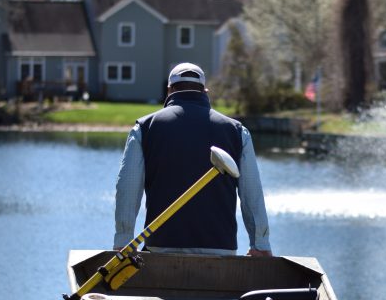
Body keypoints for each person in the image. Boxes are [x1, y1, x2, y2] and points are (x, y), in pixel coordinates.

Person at [113, 62, 272, 256]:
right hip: (220, 248)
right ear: (205, 91)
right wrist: (260, 245)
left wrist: (123, 240)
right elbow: (252, 193)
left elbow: (127, 189)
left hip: (161, 245)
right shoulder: (237, 131)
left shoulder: (145, 128)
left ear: (169, 90)